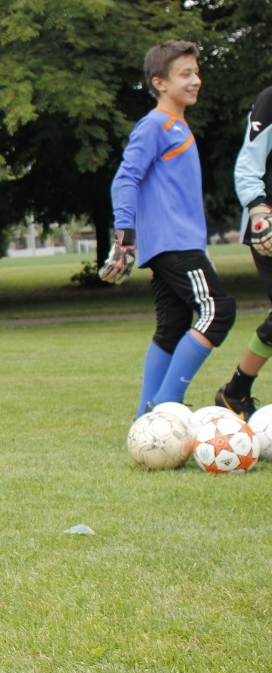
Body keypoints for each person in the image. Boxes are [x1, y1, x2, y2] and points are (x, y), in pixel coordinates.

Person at [102, 40, 236, 417]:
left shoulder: (179, 127)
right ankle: (165, 406)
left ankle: (146, 420)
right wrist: (124, 236)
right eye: (186, 74)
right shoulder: (156, 124)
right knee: (219, 310)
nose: (196, 80)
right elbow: (125, 179)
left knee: (173, 326)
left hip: (178, 244)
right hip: (173, 244)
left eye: (196, 72)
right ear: (160, 82)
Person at [214, 85, 272, 419]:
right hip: (268, 224)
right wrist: (258, 208)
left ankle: (236, 391)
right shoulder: (270, 100)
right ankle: (235, 391)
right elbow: (248, 163)